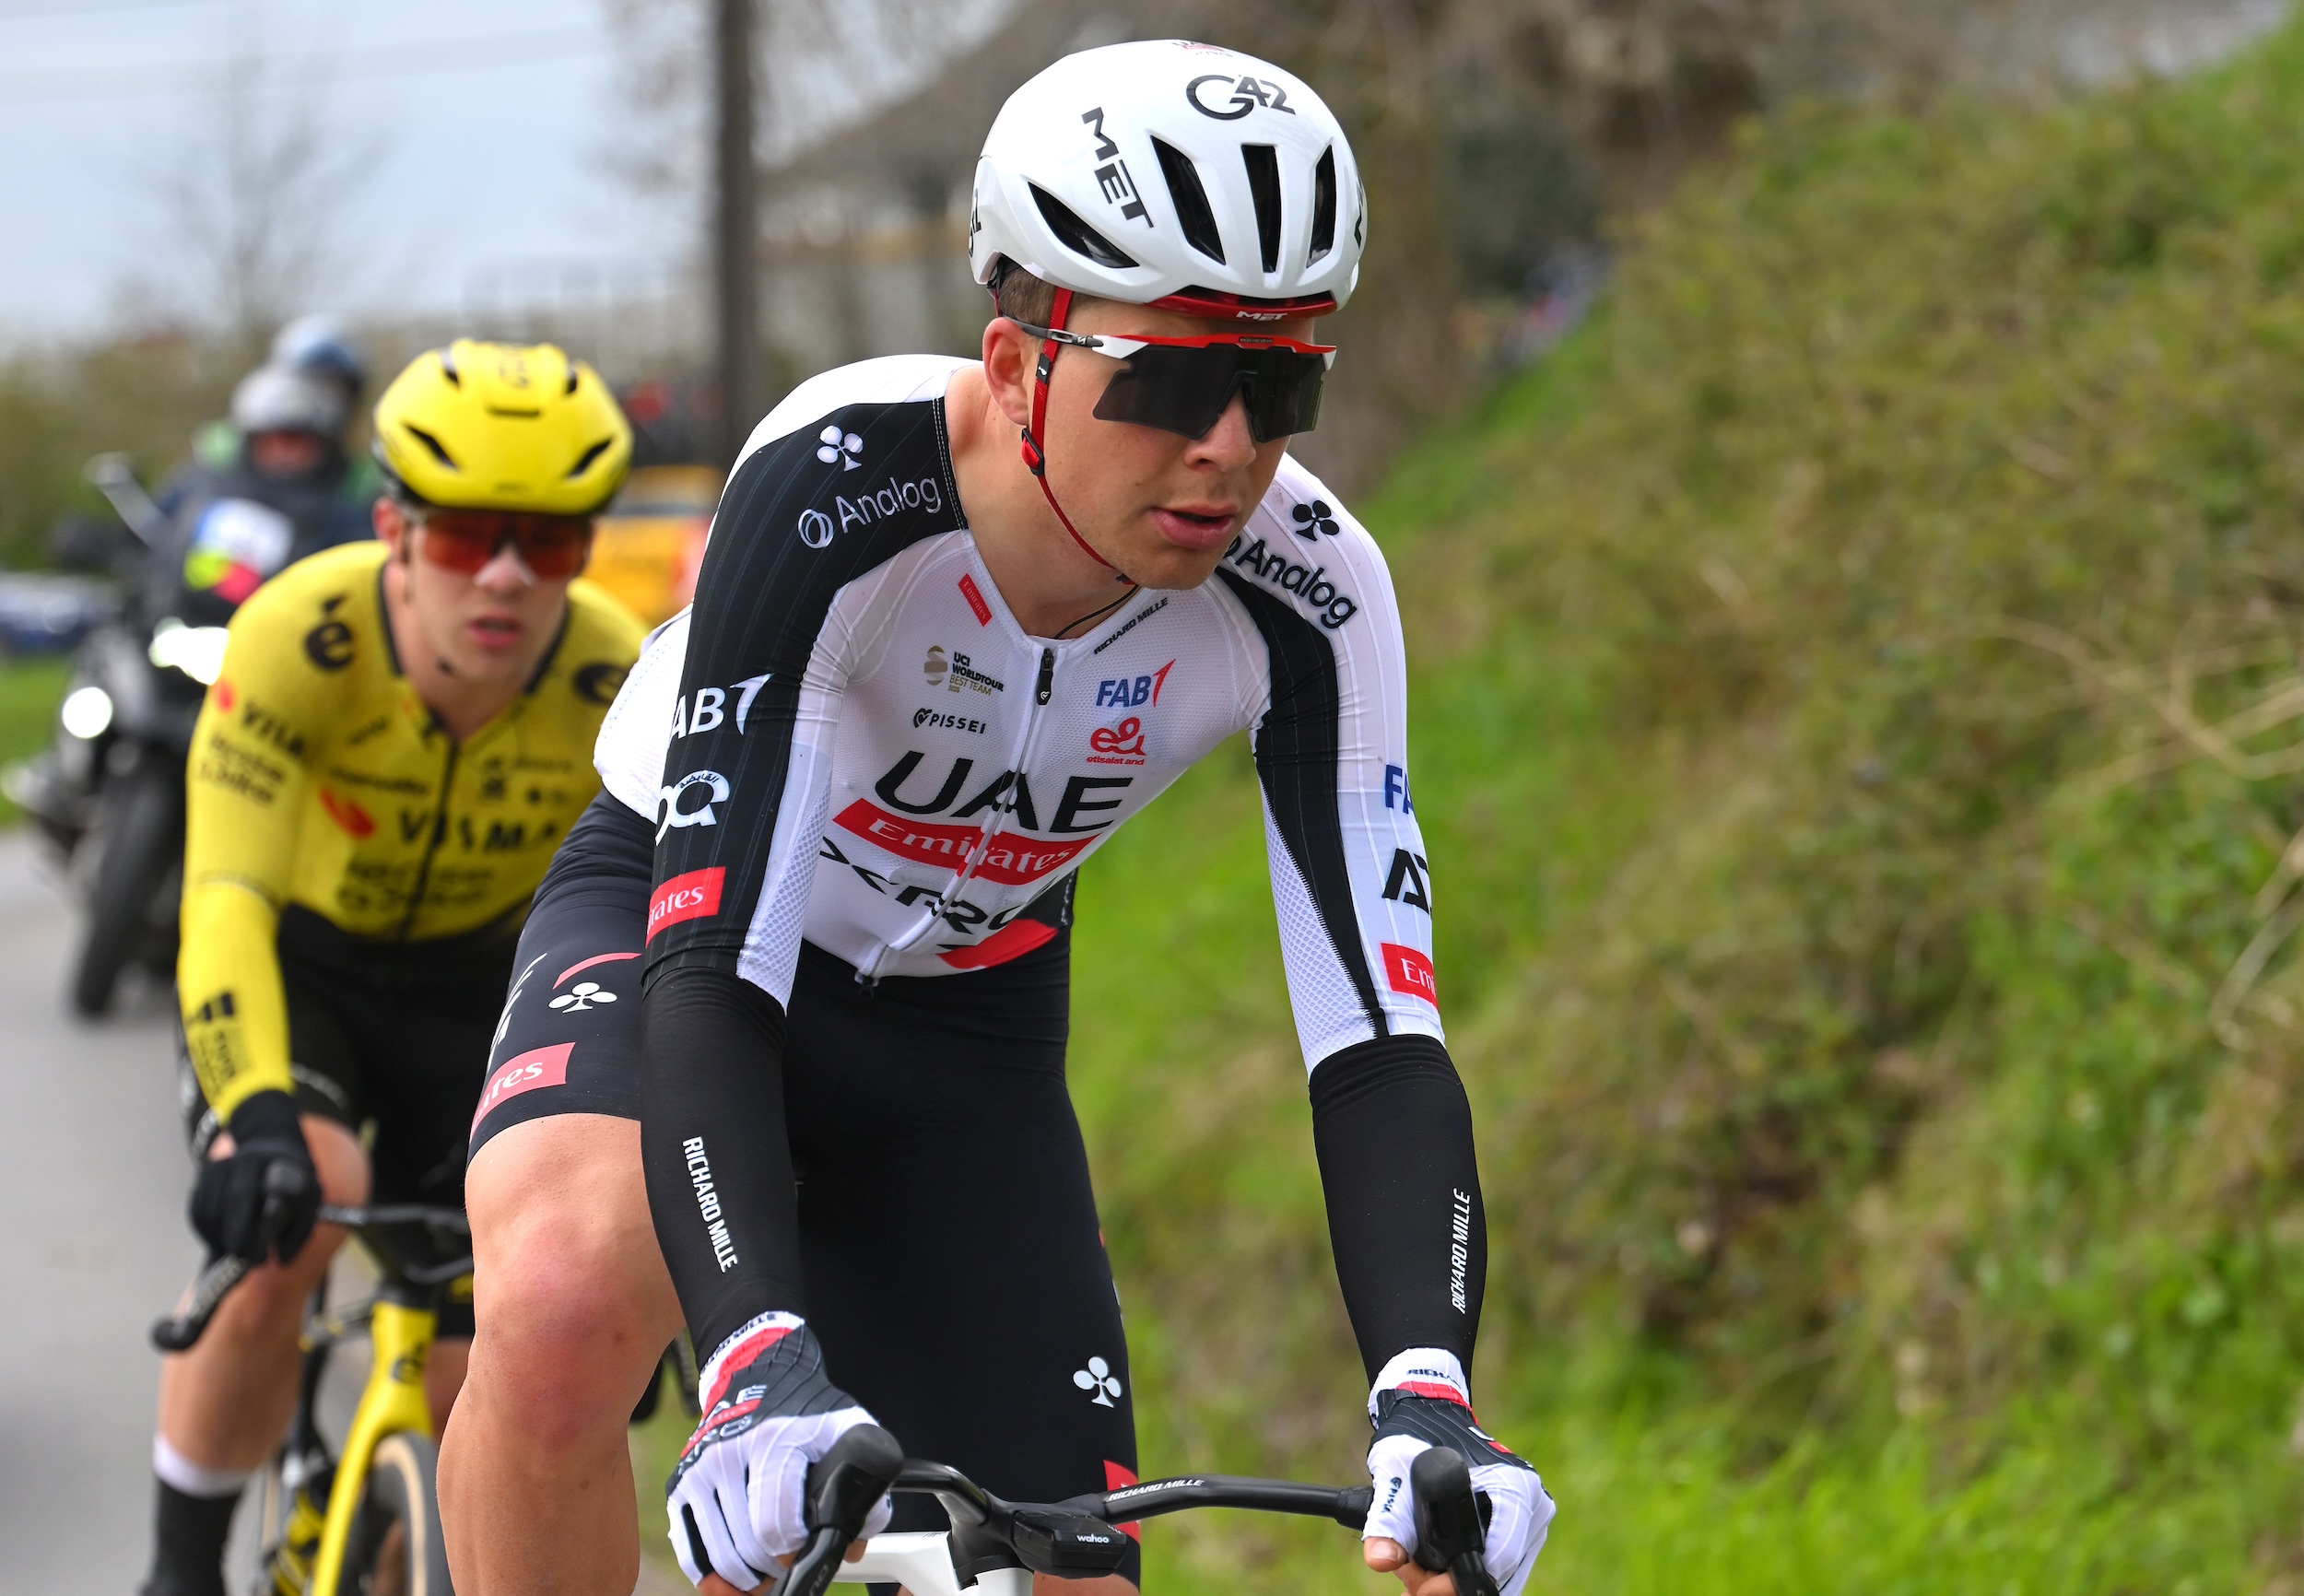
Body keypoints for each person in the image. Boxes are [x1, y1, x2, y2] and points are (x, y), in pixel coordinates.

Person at [441, 39, 1555, 1596]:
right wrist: (749, 1360)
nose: (1229, 446)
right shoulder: (837, 484)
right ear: (1019, 363)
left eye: (1279, 383)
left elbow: (1377, 1039)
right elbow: (718, 971)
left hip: (968, 1016)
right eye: (1168, 380)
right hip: (685, 939)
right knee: (562, 1304)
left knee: (1067, 1566)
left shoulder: (1314, 594)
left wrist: (1428, 1390)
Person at [139, 339, 644, 1596]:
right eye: (468, 537)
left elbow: (663, 936)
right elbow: (225, 898)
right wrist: (253, 1116)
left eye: (550, 543)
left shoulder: (616, 680)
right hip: (305, 975)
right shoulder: (294, 635)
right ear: (394, 533)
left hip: (487, 994)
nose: (507, 577)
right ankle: (179, 1571)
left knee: (500, 1360)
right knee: (300, 1209)